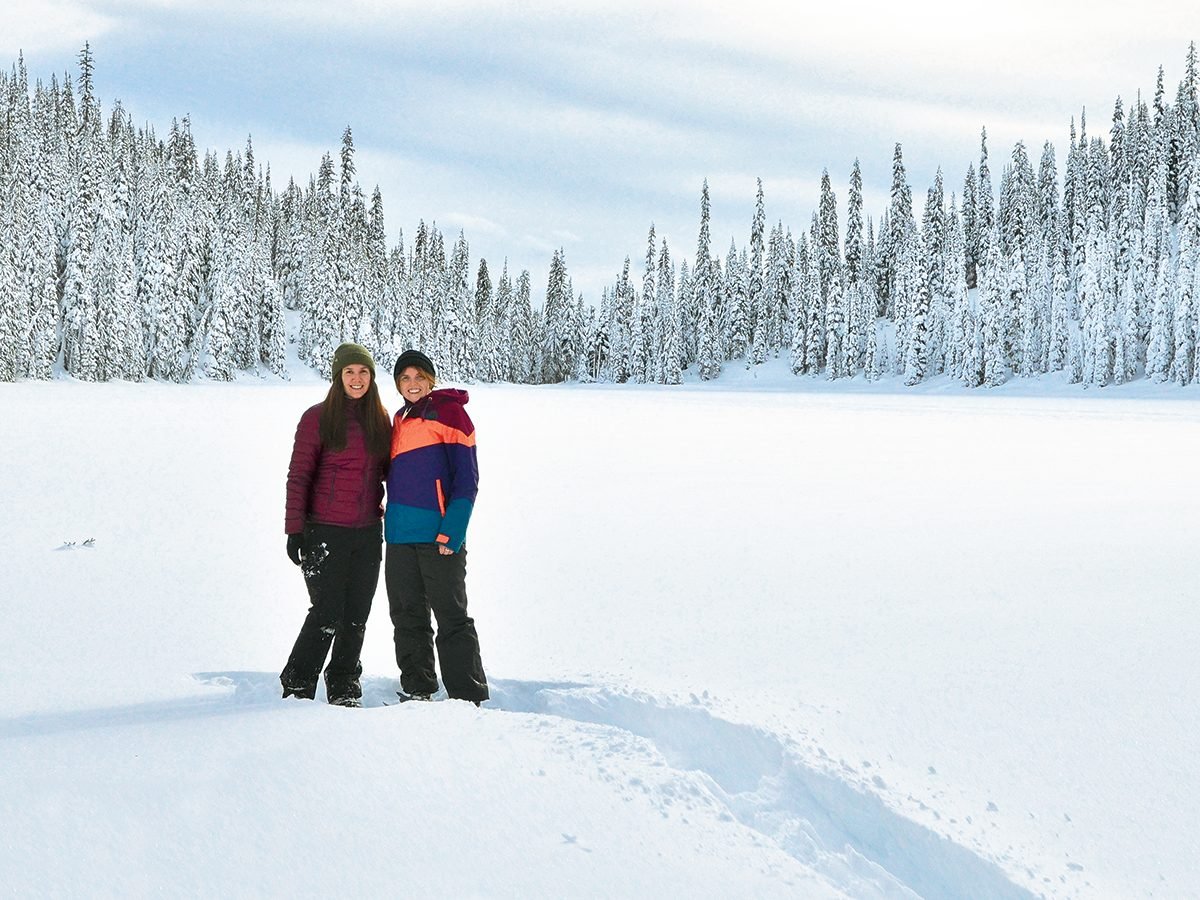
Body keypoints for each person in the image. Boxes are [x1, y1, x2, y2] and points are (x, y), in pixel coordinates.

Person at [280, 342, 391, 707]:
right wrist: (295, 529)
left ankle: (344, 683)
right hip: (324, 530)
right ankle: (297, 682)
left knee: (357, 613)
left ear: (372, 377)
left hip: (368, 531)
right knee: (327, 611)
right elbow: (299, 476)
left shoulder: (381, 420)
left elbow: (392, 473)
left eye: (363, 372)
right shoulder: (317, 418)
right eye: (349, 372)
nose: (356, 379)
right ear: (337, 376)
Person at [385, 349, 489, 705]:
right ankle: (418, 687)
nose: (412, 384)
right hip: (398, 536)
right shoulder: (399, 418)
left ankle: (467, 695)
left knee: (451, 616)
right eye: (404, 378)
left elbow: (467, 479)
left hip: (438, 536)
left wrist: (453, 531)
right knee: (406, 615)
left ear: (431, 379)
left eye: (418, 377)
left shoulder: (451, 413)